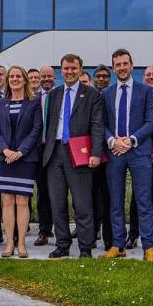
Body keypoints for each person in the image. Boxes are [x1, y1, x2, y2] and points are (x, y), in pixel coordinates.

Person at [42, 54, 104, 259]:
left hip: (79, 153)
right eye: (66, 68)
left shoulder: (92, 94)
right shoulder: (54, 94)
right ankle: (62, 244)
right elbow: (48, 124)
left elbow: (97, 125)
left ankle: (85, 247)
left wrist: (96, 153)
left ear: (80, 69)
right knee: (57, 203)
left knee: (82, 202)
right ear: (61, 70)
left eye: (73, 68)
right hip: (55, 153)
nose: (69, 72)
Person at [101, 50, 153, 261]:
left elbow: (151, 122)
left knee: (144, 200)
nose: (122, 67)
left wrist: (130, 140)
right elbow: (102, 124)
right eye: (118, 64)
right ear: (113, 67)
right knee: (116, 201)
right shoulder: (106, 93)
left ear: (132, 65)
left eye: (125, 63)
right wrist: (113, 141)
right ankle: (118, 245)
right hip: (114, 151)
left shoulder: (145, 92)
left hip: (139, 152)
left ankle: (148, 247)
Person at [0, 66, 43, 258]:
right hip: (3, 158)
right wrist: (5, 150)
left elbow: (36, 129)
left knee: (22, 201)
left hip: (25, 158)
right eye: (11, 76)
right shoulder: (0, 103)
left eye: (18, 76)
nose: (14, 79)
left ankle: (21, 243)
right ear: (8, 80)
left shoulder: (34, 102)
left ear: (24, 80)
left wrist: (20, 152)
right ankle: (9, 244)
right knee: (6, 201)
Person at [136, 65, 153, 250]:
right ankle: (133, 235)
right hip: (137, 150)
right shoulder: (138, 95)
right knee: (137, 198)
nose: (151, 77)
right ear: (143, 78)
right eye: (148, 75)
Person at [33, 65, 56, 246]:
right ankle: (44, 230)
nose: (47, 79)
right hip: (37, 149)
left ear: (54, 78)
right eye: (44, 77)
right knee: (42, 193)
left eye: (50, 76)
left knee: (58, 191)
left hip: (56, 149)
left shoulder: (59, 96)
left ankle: (62, 228)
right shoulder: (33, 98)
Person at [91, 64, 113, 249]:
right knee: (90, 197)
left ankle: (109, 239)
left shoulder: (112, 95)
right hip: (90, 155)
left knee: (108, 197)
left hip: (111, 154)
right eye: (98, 76)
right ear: (93, 78)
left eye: (105, 76)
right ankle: (91, 234)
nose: (102, 79)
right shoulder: (89, 96)